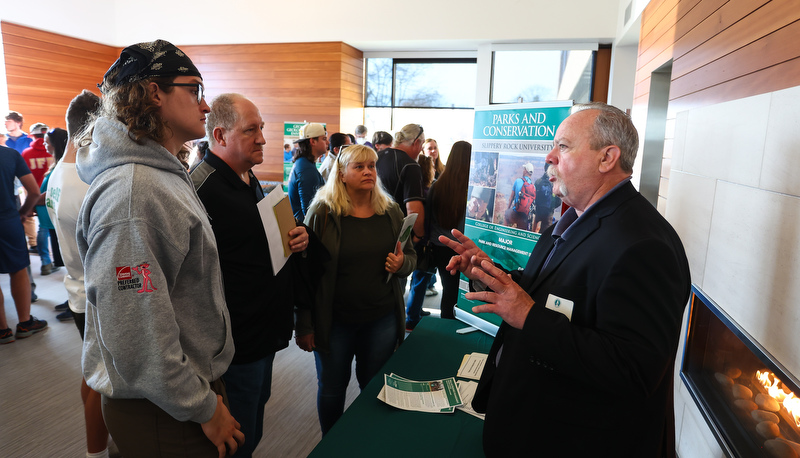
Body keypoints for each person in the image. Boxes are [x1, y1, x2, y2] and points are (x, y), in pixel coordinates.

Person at [440, 103, 691, 457]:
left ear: (607, 158)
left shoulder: (644, 245)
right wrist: (487, 272)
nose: (549, 157)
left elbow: (634, 371)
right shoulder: (574, 218)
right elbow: (543, 287)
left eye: (564, 146)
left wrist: (528, 315)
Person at [75, 39, 243, 457]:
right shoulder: (135, 194)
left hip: (176, 394)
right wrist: (202, 408)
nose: (205, 107)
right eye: (195, 90)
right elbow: (137, 336)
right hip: (164, 410)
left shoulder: (161, 176)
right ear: (155, 93)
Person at [192, 93, 312, 457]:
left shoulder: (249, 176)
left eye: (262, 128)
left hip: (264, 331)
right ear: (220, 136)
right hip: (235, 344)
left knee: (254, 427)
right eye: (251, 130)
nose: (262, 138)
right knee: (238, 439)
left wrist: (297, 237)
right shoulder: (199, 189)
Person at [296, 144, 416, 435]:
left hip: (381, 318)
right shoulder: (322, 213)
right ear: (342, 174)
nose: (367, 172)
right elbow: (305, 274)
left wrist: (400, 264)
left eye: (371, 167)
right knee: (332, 389)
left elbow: (411, 258)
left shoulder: (391, 212)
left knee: (374, 387)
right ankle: (331, 445)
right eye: (359, 167)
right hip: (334, 320)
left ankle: (367, 443)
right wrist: (304, 324)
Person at [46, 89, 114, 458]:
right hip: (92, 292)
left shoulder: (60, 172)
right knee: (100, 382)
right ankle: (95, 452)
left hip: (76, 286)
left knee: (91, 375)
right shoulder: (86, 182)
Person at [0, 144, 48, 344]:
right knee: (19, 270)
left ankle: (2, 331)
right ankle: (25, 323)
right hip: (8, 221)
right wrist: (24, 213)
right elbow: (34, 191)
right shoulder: (9, 154)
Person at [428, 141, 471, 320]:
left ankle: (446, 325)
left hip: (440, 246)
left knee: (448, 289)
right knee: (466, 290)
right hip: (465, 247)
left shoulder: (437, 186)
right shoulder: (472, 187)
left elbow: (429, 218)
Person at [375, 123, 426, 245]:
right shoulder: (410, 166)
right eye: (422, 145)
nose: (422, 150)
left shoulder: (376, 156)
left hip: (371, 228)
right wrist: (419, 235)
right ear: (416, 142)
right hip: (395, 236)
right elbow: (413, 209)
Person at [404, 153, 436, 330]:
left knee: (417, 278)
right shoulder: (427, 192)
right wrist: (422, 238)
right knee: (420, 278)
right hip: (423, 241)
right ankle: (412, 318)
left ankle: (415, 310)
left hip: (416, 240)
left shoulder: (418, 191)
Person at [34, 128, 67, 276]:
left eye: (47, 142)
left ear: (55, 144)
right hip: (47, 215)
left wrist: (33, 201)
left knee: (65, 258)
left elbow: (51, 191)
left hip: (52, 215)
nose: (44, 145)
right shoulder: (56, 163)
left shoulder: (62, 165)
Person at [288, 122, 327, 219]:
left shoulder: (303, 163)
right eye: (324, 139)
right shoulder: (306, 169)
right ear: (313, 141)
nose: (328, 142)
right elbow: (310, 211)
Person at [503, 162, 535, 231]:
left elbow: (511, 197)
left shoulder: (518, 181)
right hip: (525, 216)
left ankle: (503, 234)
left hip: (515, 212)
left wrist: (508, 209)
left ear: (526, 171)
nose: (523, 170)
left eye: (524, 169)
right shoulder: (533, 186)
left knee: (506, 216)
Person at [532, 163, 561, 233]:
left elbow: (533, 197)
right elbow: (558, 202)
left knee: (534, 232)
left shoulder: (538, 182)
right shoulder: (554, 183)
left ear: (544, 167)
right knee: (545, 234)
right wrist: (552, 208)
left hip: (538, 212)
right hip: (548, 214)